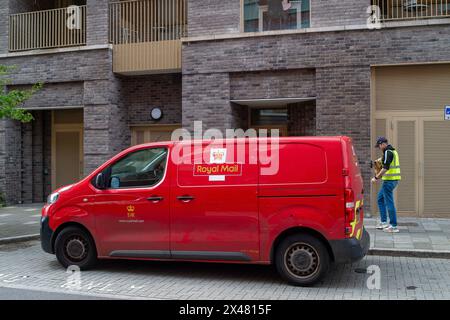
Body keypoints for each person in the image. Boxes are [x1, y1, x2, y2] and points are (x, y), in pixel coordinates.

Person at [371, 136, 401, 233]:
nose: (379, 147)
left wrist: (376, 178)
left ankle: (393, 226)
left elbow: (385, 168)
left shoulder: (388, 152)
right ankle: (384, 222)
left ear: (383, 144)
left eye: (379, 145)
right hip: (391, 180)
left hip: (389, 181)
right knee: (380, 199)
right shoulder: (392, 151)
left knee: (389, 203)